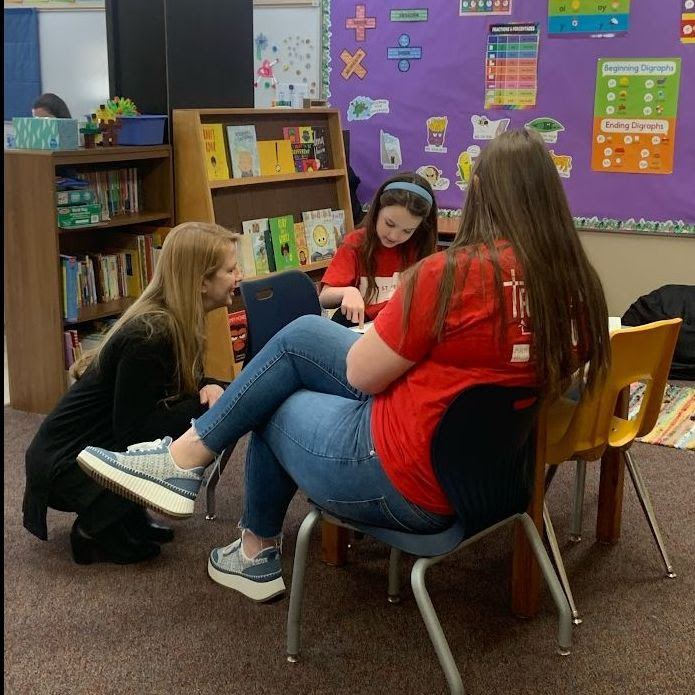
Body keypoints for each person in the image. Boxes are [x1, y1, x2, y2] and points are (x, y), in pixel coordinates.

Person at [76, 130, 610, 601]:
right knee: (301, 340)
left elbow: (362, 376)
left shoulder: (450, 276)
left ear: (482, 198)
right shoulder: (575, 283)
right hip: (495, 480)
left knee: (276, 389)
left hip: (405, 479)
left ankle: (221, 508)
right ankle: (202, 483)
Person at [23, 222, 243, 565]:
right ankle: (92, 530)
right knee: (182, 429)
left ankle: (126, 517)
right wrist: (208, 408)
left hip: (85, 447)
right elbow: (135, 429)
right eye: (230, 270)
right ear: (201, 281)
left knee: (195, 414)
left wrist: (208, 387)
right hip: (64, 466)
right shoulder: (149, 335)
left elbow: (176, 387)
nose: (238, 276)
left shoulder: (176, 321)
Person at [319, 172, 438, 327]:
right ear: (377, 211)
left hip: (400, 329)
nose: (394, 236)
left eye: (407, 231)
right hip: (358, 326)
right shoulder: (355, 243)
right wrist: (348, 292)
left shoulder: (420, 249)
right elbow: (324, 297)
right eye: (389, 223)